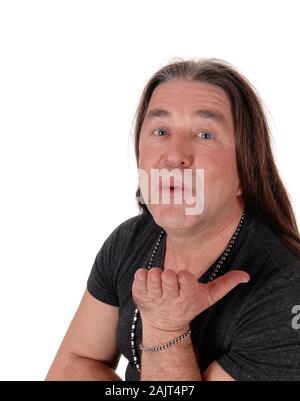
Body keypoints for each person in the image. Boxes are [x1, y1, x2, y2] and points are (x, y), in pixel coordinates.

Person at [46, 58, 300, 381]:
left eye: (205, 134)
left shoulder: (285, 292)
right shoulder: (129, 241)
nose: (175, 155)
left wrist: (166, 328)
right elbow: (70, 367)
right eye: (161, 131)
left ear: (244, 174)